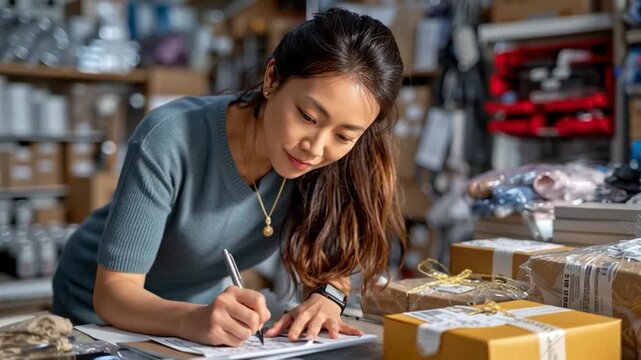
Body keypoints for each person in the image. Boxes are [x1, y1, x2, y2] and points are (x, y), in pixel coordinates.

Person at [53, 8, 406, 347]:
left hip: (197, 320)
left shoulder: (330, 163)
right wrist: (192, 321)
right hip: (103, 313)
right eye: (307, 116)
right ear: (272, 78)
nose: (315, 148)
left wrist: (328, 298)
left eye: (344, 136)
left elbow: (335, 256)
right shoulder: (170, 137)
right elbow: (113, 294)